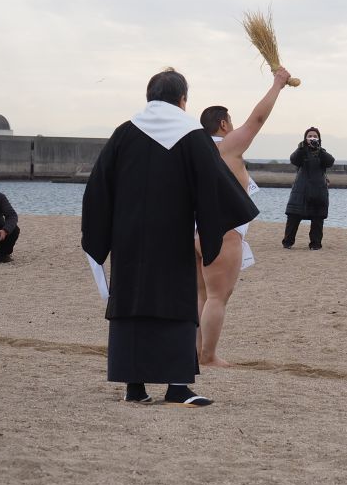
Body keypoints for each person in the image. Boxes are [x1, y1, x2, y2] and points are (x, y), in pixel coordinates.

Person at [81, 68, 257, 406]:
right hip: (173, 234)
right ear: (182, 100)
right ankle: (177, 386)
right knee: (176, 304)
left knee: (132, 303)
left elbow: (98, 188)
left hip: (128, 236)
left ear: (149, 97)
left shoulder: (124, 133)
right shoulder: (191, 135)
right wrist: (213, 230)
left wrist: (102, 234)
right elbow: (213, 185)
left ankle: (135, 387)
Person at [195, 67, 292, 366]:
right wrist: (277, 84)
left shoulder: (194, 150)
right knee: (217, 297)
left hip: (194, 231)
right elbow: (258, 119)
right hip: (224, 232)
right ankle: (208, 356)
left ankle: (196, 353)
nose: (235, 127)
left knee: (201, 294)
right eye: (231, 123)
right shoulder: (227, 147)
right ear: (223, 124)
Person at [283, 126, 335, 249]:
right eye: (310, 136)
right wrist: (301, 147)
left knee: (317, 219)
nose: (312, 138)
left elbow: (330, 162)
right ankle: (287, 242)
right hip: (300, 190)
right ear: (305, 139)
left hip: (318, 191)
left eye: (315, 136)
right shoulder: (301, 152)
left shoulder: (322, 152)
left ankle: (315, 244)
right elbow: (293, 159)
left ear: (319, 139)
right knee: (293, 217)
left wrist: (319, 149)